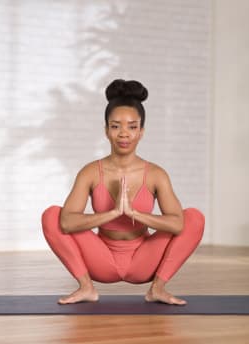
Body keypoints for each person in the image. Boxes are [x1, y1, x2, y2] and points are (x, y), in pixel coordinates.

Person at [41, 79, 205, 305]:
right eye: (116, 126)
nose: (124, 134)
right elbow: (67, 223)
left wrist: (134, 213)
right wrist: (114, 213)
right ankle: (86, 287)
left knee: (194, 217)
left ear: (142, 132)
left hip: (143, 261)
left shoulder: (156, 174)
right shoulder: (90, 172)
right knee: (52, 215)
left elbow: (178, 224)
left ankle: (158, 288)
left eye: (132, 126)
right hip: (101, 259)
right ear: (106, 131)